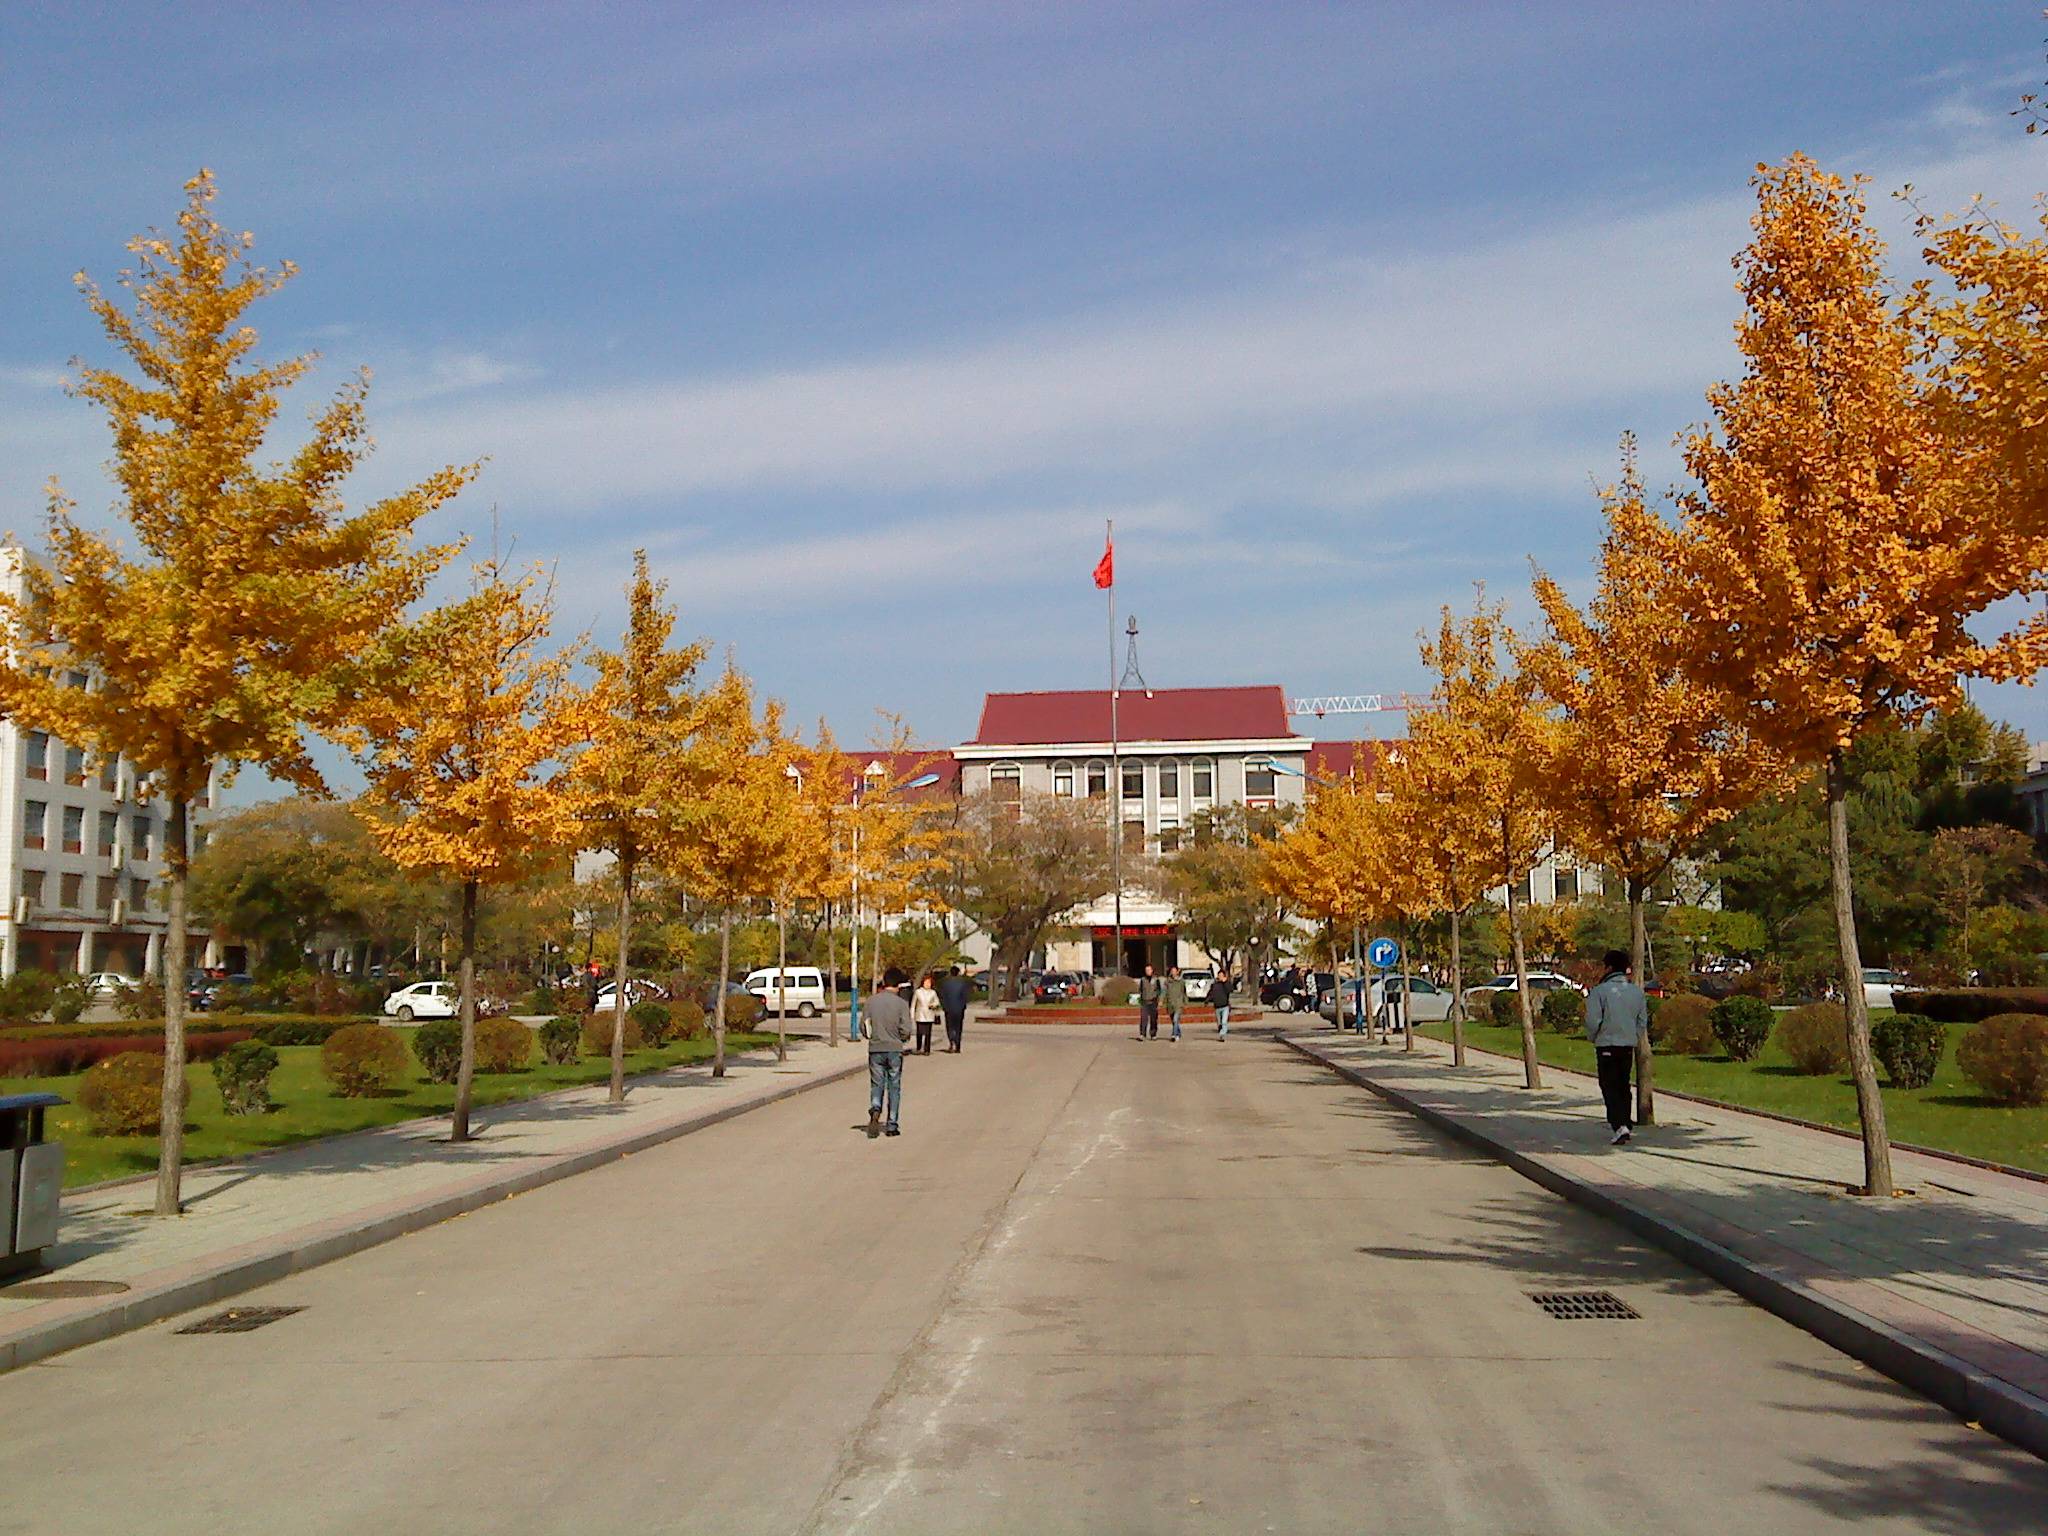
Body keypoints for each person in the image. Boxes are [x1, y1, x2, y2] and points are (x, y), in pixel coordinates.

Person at [1584, 949, 1649, 1145]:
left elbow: (1593, 1020)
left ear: (1609, 967)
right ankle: (1625, 1123)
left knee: (1609, 1086)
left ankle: (1619, 1124)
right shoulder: (1636, 992)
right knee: (1623, 1085)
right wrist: (1632, 1037)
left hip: (1606, 1044)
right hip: (1627, 1045)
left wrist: (1593, 1037)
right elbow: (1642, 1021)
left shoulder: (1599, 992)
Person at [866, 967, 913, 1138]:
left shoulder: (871, 1001)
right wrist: (901, 1038)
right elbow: (906, 1029)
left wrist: (872, 1037)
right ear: (898, 985)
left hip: (876, 1048)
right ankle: (892, 1124)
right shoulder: (901, 1004)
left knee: (876, 1083)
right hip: (894, 1048)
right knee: (894, 1085)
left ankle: (875, 1106)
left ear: (884, 982)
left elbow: (865, 1026)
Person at [938, 964, 972, 1052]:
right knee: (958, 1027)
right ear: (958, 973)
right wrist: (963, 1006)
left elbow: (942, 996)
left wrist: (944, 1006)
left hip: (948, 1008)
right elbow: (965, 996)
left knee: (949, 1026)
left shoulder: (945, 983)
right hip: (959, 1008)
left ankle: (951, 1041)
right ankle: (958, 1044)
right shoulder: (962, 983)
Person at [911, 973, 941, 1055]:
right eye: (926, 982)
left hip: (929, 1014)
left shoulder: (933, 993)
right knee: (919, 1032)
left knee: (928, 1033)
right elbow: (913, 1004)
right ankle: (918, 1048)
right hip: (920, 1014)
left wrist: (933, 1005)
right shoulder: (918, 992)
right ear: (923, 983)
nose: (928, 984)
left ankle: (927, 1049)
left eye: (929, 983)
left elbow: (937, 1002)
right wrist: (912, 1015)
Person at [1136, 964, 1162, 1040]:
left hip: (1153, 1002)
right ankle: (1142, 1034)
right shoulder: (1143, 980)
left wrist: (1159, 1000)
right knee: (1143, 1019)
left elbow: (1159, 990)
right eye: (1146, 970)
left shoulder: (1156, 979)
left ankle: (1153, 1034)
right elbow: (1140, 990)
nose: (1148, 971)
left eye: (1149, 970)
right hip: (1144, 1002)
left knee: (1153, 1019)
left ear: (1152, 970)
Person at [1164, 965, 1188, 1044]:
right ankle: (1178, 1032)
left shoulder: (1181, 981)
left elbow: (1184, 992)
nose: (1173, 972)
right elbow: (1164, 992)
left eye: (1175, 971)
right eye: (1172, 971)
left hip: (1178, 1004)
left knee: (1175, 1019)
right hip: (1170, 1004)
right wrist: (1161, 1000)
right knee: (1174, 1021)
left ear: (1177, 972)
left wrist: (1185, 1002)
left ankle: (1174, 1035)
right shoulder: (1167, 981)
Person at [1211, 966, 1234, 1039]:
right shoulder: (1215, 985)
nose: (1220, 977)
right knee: (1219, 1023)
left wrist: (1225, 982)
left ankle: (1222, 1035)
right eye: (1219, 975)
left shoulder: (1226, 984)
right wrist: (1207, 1000)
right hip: (1217, 1006)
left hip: (1225, 1006)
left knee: (1224, 1022)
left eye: (1221, 975)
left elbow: (1230, 990)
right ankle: (1221, 1030)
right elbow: (1211, 993)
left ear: (1224, 976)